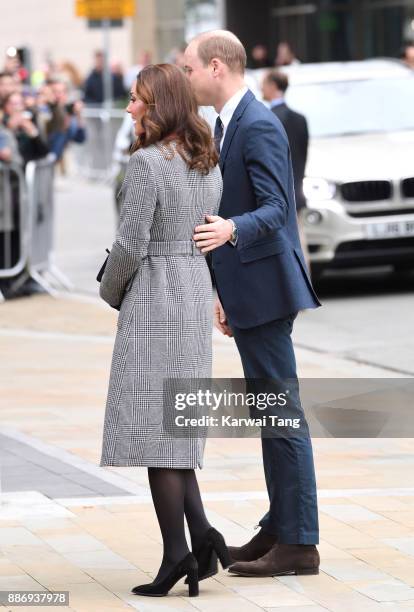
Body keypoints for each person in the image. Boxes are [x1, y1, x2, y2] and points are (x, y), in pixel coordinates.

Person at [184, 30, 321, 577]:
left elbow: (275, 209)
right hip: (247, 290)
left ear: (217, 67)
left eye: (189, 66)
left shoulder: (258, 124)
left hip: (268, 292)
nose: (185, 75)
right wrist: (221, 288)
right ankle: (279, 527)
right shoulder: (227, 124)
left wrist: (229, 231)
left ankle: (300, 544)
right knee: (271, 414)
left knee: (283, 416)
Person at [98, 63, 231, 597]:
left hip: (154, 294)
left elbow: (130, 244)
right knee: (175, 427)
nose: (130, 108)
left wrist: (110, 292)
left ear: (161, 106)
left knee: (156, 431)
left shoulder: (149, 164)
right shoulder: (206, 161)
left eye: (137, 100)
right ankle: (203, 538)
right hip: (193, 292)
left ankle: (177, 555)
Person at [262, 70, 310, 269]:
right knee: (300, 242)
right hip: (296, 190)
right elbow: (303, 157)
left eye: (264, 84)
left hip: (273, 194)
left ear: (273, 86)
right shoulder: (300, 119)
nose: (261, 88)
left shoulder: (265, 119)